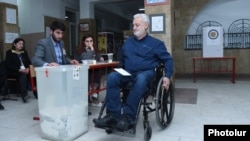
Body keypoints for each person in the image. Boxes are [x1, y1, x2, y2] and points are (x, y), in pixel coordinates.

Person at [93, 13, 174, 130]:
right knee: (112, 77)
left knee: (141, 79)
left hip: (147, 73)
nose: (134, 27)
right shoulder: (128, 43)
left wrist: (167, 76)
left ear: (146, 26)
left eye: (137, 25)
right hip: (128, 73)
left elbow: (168, 60)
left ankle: (128, 117)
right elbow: (122, 61)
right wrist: (118, 71)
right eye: (133, 25)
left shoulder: (156, 44)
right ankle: (112, 116)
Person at [74, 34, 104, 106]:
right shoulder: (79, 50)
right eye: (87, 41)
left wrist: (100, 57)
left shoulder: (94, 49)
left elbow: (99, 57)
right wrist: (92, 50)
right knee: (88, 78)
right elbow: (85, 58)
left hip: (92, 70)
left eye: (91, 41)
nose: (89, 43)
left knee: (97, 73)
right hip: (82, 71)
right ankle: (86, 99)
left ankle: (94, 97)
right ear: (83, 42)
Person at [5, 38, 32, 103]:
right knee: (22, 75)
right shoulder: (9, 52)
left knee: (33, 73)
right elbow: (8, 65)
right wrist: (19, 70)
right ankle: (24, 96)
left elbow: (29, 62)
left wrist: (28, 68)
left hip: (24, 70)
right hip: (14, 71)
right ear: (14, 44)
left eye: (22, 44)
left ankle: (36, 93)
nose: (21, 45)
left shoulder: (24, 52)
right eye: (19, 43)